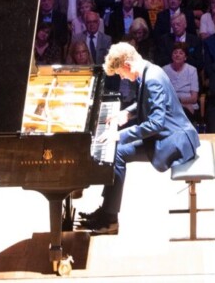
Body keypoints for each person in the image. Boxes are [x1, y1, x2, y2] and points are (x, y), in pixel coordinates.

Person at [77, 43, 200, 235]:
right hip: (168, 134)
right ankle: (106, 211)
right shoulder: (150, 70)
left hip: (173, 140)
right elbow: (145, 102)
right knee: (116, 151)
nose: (122, 77)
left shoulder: (152, 79)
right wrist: (125, 114)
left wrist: (119, 134)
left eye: (120, 73)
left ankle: (110, 219)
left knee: (117, 153)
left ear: (126, 65)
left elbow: (156, 124)